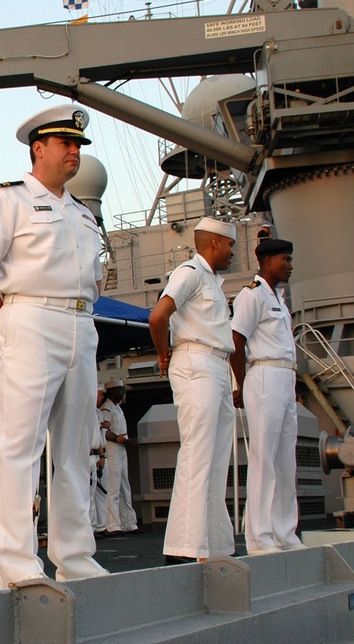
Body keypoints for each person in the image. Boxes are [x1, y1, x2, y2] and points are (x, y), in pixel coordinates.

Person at [0, 103, 108, 587]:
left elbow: (96, 280)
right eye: (66, 143)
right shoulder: (10, 199)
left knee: (74, 448)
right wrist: (10, 317)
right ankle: (17, 561)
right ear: (38, 148)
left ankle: (76, 556)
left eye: (78, 145)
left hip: (79, 325)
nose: (75, 152)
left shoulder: (84, 215)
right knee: (19, 444)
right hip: (29, 316)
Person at [147, 217, 237, 565]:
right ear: (214, 243)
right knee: (198, 454)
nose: (232, 252)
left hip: (217, 364)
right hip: (196, 362)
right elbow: (158, 317)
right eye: (229, 245)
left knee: (216, 458)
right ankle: (182, 547)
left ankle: (212, 545)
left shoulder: (212, 280)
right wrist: (162, 352)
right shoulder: (190, 273)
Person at [230, 238, 303, 555]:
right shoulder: (252, 294)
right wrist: (240, 384)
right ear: (267, 260)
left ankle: (285, 532)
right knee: (264, 459)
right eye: (285, 259)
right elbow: (236, 339)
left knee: (286, 460)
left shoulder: (279, 299)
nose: (289, 264)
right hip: (263, 376)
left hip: (285, 377)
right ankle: (260, 537)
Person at [100, 379, 139, 535]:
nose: (123, 394)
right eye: (120, 391)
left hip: (121, 449)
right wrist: (118, 438)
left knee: (124, 486)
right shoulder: (106, 409)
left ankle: (128, 523)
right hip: (113, 449)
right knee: (113, 487)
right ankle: (113, 524)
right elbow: (105, 430)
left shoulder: (117, 408)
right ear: (111, 392)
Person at [90, 385, 109, 536]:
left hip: (95, 455)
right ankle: (90, 528)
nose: (102, 398)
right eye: (100, 394)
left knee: (95, 494)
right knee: (87, 496)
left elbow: (98, 438)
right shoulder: (86, 411)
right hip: (86, 456)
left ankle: (97, 527)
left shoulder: (96, 412)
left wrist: (102, 456)